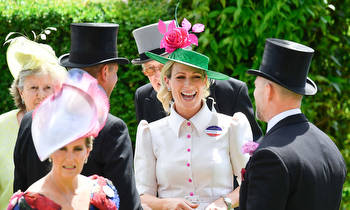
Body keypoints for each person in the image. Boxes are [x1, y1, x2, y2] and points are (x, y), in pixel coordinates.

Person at [13, 23, 142, 210]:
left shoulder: (30, 119)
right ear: (106, 72)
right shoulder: (113, 128)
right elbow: (128, 205)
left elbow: (20, 191)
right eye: (115, 72)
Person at [134, 19, 252, 210]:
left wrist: (224, 203)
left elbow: (251, 181)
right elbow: (142, 195)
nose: (188, 85)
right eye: (180, 77)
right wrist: (167, 204)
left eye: (195, 77)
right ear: (168, 81)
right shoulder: (149, 132)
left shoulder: (232, 126)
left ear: (205, 81)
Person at [239, 38, 346, 210]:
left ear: (268, 91)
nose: (255, 93)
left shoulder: (269, 156)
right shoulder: (330, 148)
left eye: (256, 86)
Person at [8, 69, 119, 209]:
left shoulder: (103, 194)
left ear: (88, 150)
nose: (69, 157)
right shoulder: (27, 205)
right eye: (62, 148)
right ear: (50, 150)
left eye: (78, 149)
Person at [132, 21, 262, 141]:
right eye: (150, 69)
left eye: (162, 67)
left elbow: (252, 142)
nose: (158, 76)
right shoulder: (143, 97)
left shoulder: (232, 91)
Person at [0, 36, 66, 209]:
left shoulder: (67, 126)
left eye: (47, 88)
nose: (41, 95)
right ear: (21, 92)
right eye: (33, 88)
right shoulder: (1, 126)